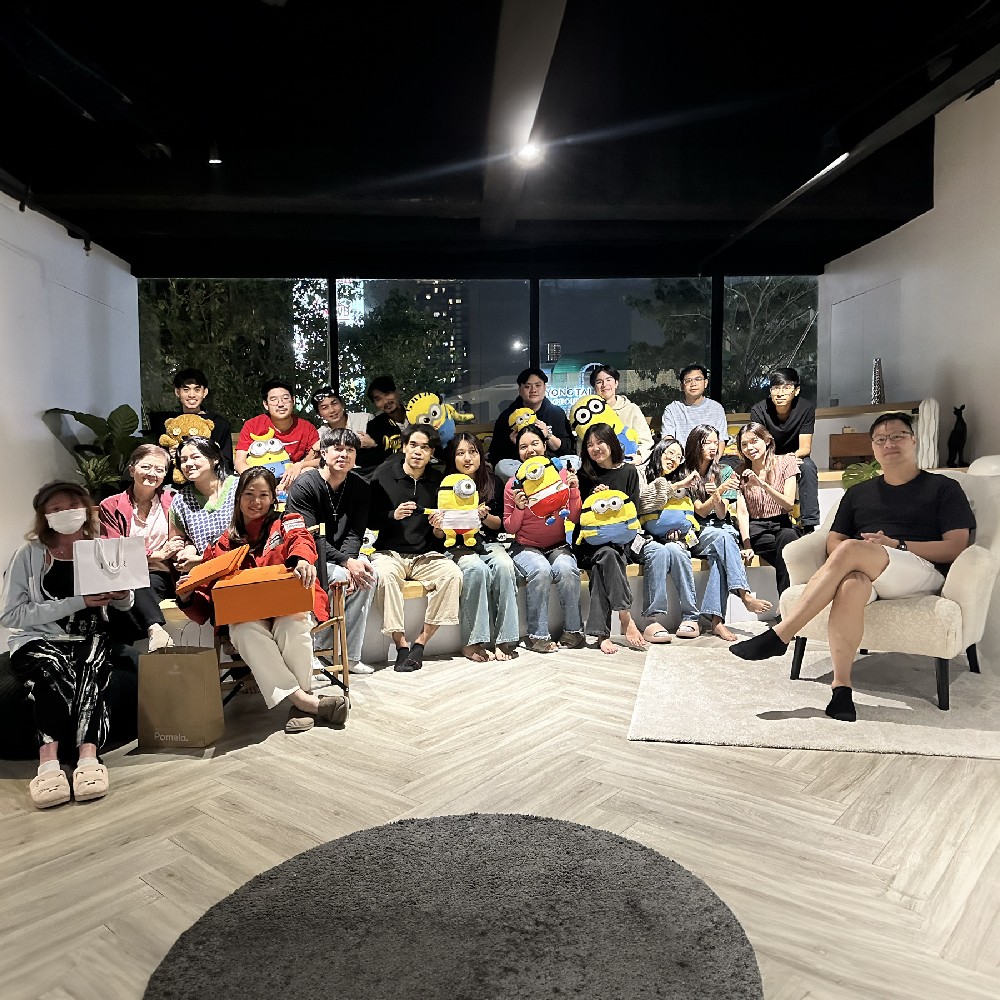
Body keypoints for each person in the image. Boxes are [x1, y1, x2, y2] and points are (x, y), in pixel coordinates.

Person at [731, 412, 976, 722]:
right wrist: (859, 555)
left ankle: (782, 633)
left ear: (913, 441)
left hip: (919, 571)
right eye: (881, 439)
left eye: (898, 436)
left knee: (852, 549)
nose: (889, 443)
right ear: (872, 447)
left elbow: (955, 546)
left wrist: (895, 545)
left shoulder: (943, 488)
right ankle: (841, 690)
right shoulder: (859, 493)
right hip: (868, 571)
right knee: (851, 583)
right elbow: (833, 541)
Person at [180, 468, 345, 733]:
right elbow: (208, 598)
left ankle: (302, 701)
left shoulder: (287, 521)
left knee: (292, 625)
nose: (256, 501)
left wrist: (302, 559)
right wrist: (187, 596)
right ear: (238, 498)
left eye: (263, 495)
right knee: (242, 630)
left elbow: (301, 539)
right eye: (249, 494)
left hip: (291, 605)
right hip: (248, 615)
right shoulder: (222, 544)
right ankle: (306, 702)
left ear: (272, 499)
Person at [1, 481, 134, 808]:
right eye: (56, 508)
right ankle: (48, 762)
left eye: (72, 506)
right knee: (53, 668)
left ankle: (88, 756)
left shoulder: (101, 548)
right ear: (44, 515)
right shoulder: (29, 555)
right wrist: (77, 602)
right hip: (38, 639)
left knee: (91, 667)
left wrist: (121, 595)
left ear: (85, 509)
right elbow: (11, 614)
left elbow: (125, 602)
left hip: (91, 635)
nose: (66, 513)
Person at [368, 424, 463, 672]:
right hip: (390, 552)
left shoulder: (438, 482)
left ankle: (420, 644)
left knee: (453, 574)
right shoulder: (383, 476)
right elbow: (369, 520)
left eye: (425, 447)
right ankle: (401, 645)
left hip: (426, 555)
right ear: (404, 447)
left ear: (432, 453)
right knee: (385, 576)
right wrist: (393, 515)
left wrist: (439, 527)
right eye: (413, 445)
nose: (418, 452)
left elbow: (440, 537)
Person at [285, 426, 377, 675]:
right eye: (337, 449)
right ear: (324, 453)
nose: (344, 454)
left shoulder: (360, 487)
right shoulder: (305, 485)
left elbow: (355, 533)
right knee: (335, 575)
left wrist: (352, 562)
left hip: (341, 557)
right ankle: (319, 651)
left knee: (369, 575)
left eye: (350, 450)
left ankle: (350, 655)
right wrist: (346, 562)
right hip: (307, 556)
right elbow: (308, 536)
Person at [686, 424, 772, 639]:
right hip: (698, 532)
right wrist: (719, 491)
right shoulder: (686, 474)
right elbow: (700, 512)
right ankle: (744, 595)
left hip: (721, 530)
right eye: (707, 442)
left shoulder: (724, 471)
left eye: (716, 442)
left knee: (719, 556)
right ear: (696, 444)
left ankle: (716, 621)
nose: (713, 447)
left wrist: (718, 494)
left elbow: (722, 513)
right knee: (724, 538)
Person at [504, 424, 585, 653]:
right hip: (525, 547)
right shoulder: (513, 483)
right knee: (540, 570)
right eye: (523, 446)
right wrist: (519, 507)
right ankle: (537, 636)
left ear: (544, 446)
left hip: (557, 545)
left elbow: (575, 517)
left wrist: (574, 491)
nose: (529, 450)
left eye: (535, 443)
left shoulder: (561, 475)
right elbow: (510, 527)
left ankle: (574, 631)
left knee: (567, 570)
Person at [442, 432, 521, 662]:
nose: (468, 458)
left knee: (505, 566)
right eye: (460, 453)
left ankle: (505, 638)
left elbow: (500, 524)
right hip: (457, 545)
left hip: (488, 541)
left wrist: (483, 516)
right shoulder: (445, 484)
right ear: (453, 457)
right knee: (476, 569)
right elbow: (439, 530)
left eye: (473, 452)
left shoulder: (493, 482)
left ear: (480, 454)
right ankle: (473, 640)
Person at [99, 443, 182, 651]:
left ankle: (126, 652)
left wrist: (173, 551)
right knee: (127, 586)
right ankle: (156, 630)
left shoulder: (173, 501)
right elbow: (114, 548)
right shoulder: (110, 505)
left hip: (162, 574)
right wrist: (156, 554)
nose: (152, 473)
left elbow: (182, 539)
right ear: (131, 469)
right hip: (124, 573)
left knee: (138, 587)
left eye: (159, 469)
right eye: (146, 467)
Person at [576, 424, 646, 654]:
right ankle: (626, 617)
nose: (595, 448)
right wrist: (592, 498)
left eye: (600, 442)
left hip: (620, 542)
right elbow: (578, 516)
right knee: (605, 555)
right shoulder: (584, 476)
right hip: (590, 543)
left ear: (611, 443)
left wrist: (613, 500)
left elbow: (634, 512)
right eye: (590, 445)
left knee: (604, 562)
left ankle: (601, 634)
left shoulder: (629, 472)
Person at [637, 436, 702, 642]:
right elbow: (643, 503)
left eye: (679, 456)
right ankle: (651, 620)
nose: (674, 459)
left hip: (675, 539)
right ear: (659, 451)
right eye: (670, 452)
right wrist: (677, 485)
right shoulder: (641, 473)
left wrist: (682, 536)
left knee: (676, 550)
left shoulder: (681, 481)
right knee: (658, 551)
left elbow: (689, 517)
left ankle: (691, 617)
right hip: (643, 538)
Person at [749, 367, 818, 530]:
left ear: (796, 390)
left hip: (795, 456)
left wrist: (788, 459)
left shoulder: (806, 408)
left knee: (808, 467)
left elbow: (805, 447)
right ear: (770, 391)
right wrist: (776, 460)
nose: (780, 393)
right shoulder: (759, 410)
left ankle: (809, 524)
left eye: (786, 388)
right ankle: (759, 522)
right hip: (767, 456)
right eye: (775, 388)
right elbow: (758, 444)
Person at [734, 423, 800, 595]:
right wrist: (747, 545)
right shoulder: (740, 472)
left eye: (754, 441)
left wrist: (762, 485)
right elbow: (742, 513)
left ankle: (787, 602)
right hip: (757, 529)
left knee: (788, 536)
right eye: (744, 444)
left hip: (782, 523)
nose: (749, 448)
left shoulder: (786, 463)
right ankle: (789, 603)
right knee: (789, 554)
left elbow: (788, 504)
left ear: (767, 440)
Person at [235, 379, 320, 492]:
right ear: (266, 404)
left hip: (294, 480)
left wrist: (300, 465)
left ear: (293, 400)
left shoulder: (307, 427)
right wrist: (258, 480)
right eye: (273, 400)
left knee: (310, 471)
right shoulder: (253, 425)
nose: (280, 404)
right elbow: (239, 462)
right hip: (259, 482)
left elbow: (321, 460)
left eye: (285, 398)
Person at [168, 436, 239, 571]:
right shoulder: (180, 500)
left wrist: (202, 560)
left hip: (241, 567)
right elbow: (177, 540)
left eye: (195, 457)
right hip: (204, 574)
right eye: (183, 460)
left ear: (215, 459)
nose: (188, 464)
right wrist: (186, 551)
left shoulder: (239, 488)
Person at [489, 367, 576, 474]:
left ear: (545, 387)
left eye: (538, 385)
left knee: (574, 460)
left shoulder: (556, 413)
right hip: (521, 469)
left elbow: (568, 449)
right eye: (527, 386)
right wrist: (516, 444)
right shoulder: (507, 417)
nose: (533, 390)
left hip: (552, 465)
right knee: (501, 466)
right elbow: (496, 454)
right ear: (520, 390)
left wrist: (548, 436)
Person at [148, 367, 233, 465]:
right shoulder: (168, 424)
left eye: (197, 390)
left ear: (205, 392)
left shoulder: (218, 424)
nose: (192, 395)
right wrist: (170, 455)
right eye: (186, 390)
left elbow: (227, 461)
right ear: (177, 392)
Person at [589, 364, 653, 473]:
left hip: (628, 467)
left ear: (616, 383)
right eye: (599, 382)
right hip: (598, 469)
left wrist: (640, 456)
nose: (604, 385)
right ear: (594, 387)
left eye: (608, 380)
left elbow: (646, 441)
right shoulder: (590, 414)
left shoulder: (631, 409)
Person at [660, 364, 728, 449]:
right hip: (681, 456)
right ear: (682, 386)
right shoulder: (672, 409)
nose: (693, 384)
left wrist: (715, 458)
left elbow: (721, 440)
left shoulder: (716, 408)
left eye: (698, 379)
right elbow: (668, 439)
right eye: (688, 380)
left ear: (705, 383)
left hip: (710, 456)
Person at [361, 375, 408, 471]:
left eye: (387, 394)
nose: (385, 401)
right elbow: (362, 460)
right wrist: (375, 444)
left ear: (396, 392)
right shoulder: (375, 425)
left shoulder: (416, 414)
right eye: (378, 399)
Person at [311, 385, 376, 445]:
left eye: (334, 404)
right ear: (319, 414)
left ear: (342, 404)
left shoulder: (366, 419)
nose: (332, 410)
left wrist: (372, 443)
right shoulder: (319, 436)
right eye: (325, 408)